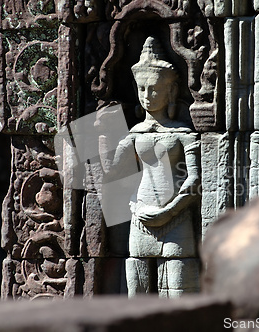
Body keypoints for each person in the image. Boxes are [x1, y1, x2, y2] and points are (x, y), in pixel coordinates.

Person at [97, 36, 201, 297]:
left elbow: (195, 180)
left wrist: (169, 210)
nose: (147, 96)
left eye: (154, 89)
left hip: (176, 215)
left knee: (178, 286)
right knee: (137, 288)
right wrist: (101, 136)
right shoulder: (134, 135)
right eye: (142, 89)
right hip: (141, 215)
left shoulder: (183, 133)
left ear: (171, 92)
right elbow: (112, 174)